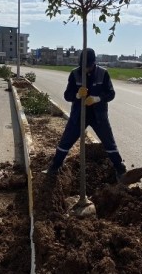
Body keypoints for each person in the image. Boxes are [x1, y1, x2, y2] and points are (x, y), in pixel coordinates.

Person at [44, 48, 127, 180]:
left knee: (109, 142)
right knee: (66, 140)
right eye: (84, 66)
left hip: (98, 116)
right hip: (78, 115)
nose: (86, 69)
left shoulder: (103, 73)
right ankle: (55, 166)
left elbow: (111, 94)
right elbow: (67, 95)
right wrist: (77, 95)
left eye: (88, 66)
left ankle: (120, 169)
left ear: (94, 63)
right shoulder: (75, 73)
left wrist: (97, 98)